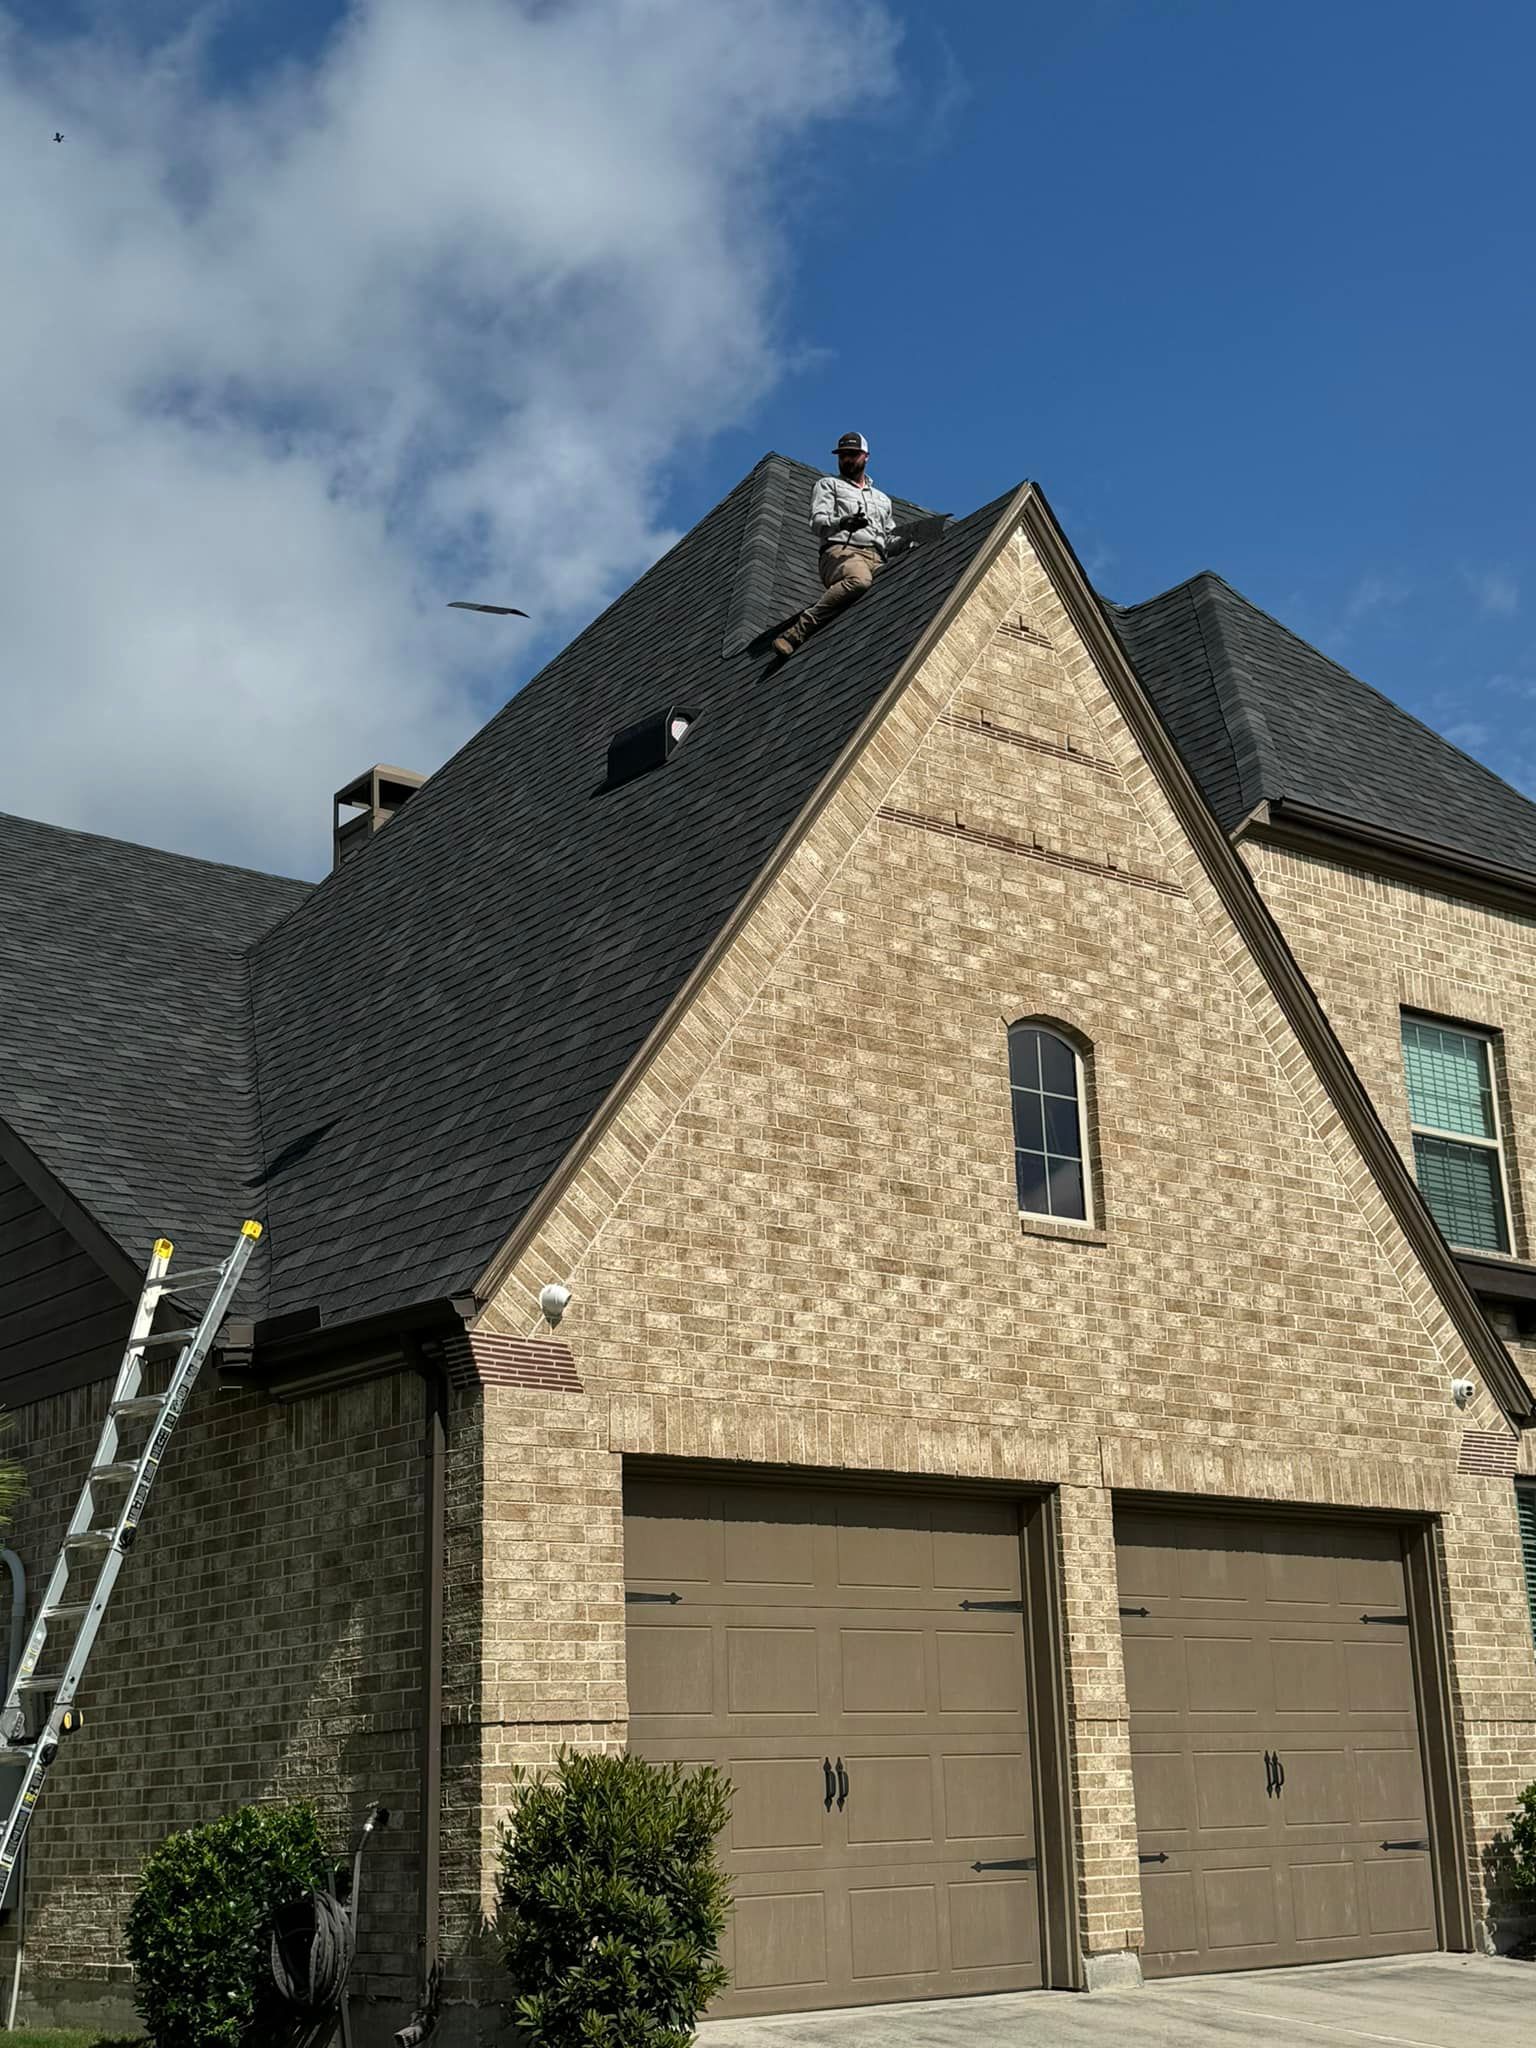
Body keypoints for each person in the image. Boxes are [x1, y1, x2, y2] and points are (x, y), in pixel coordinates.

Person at [772, 432, 898, 658]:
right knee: (859, 581)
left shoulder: (882, 499)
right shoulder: (829, 485)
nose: (847, 459)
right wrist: (843, 522)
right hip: (841, 552)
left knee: (896, 584)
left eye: (853, 454)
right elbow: (817, 521)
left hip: (878, 558)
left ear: (866, 456)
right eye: (843, 456)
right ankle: (797, 632)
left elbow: (889, 537)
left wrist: (911, 539)